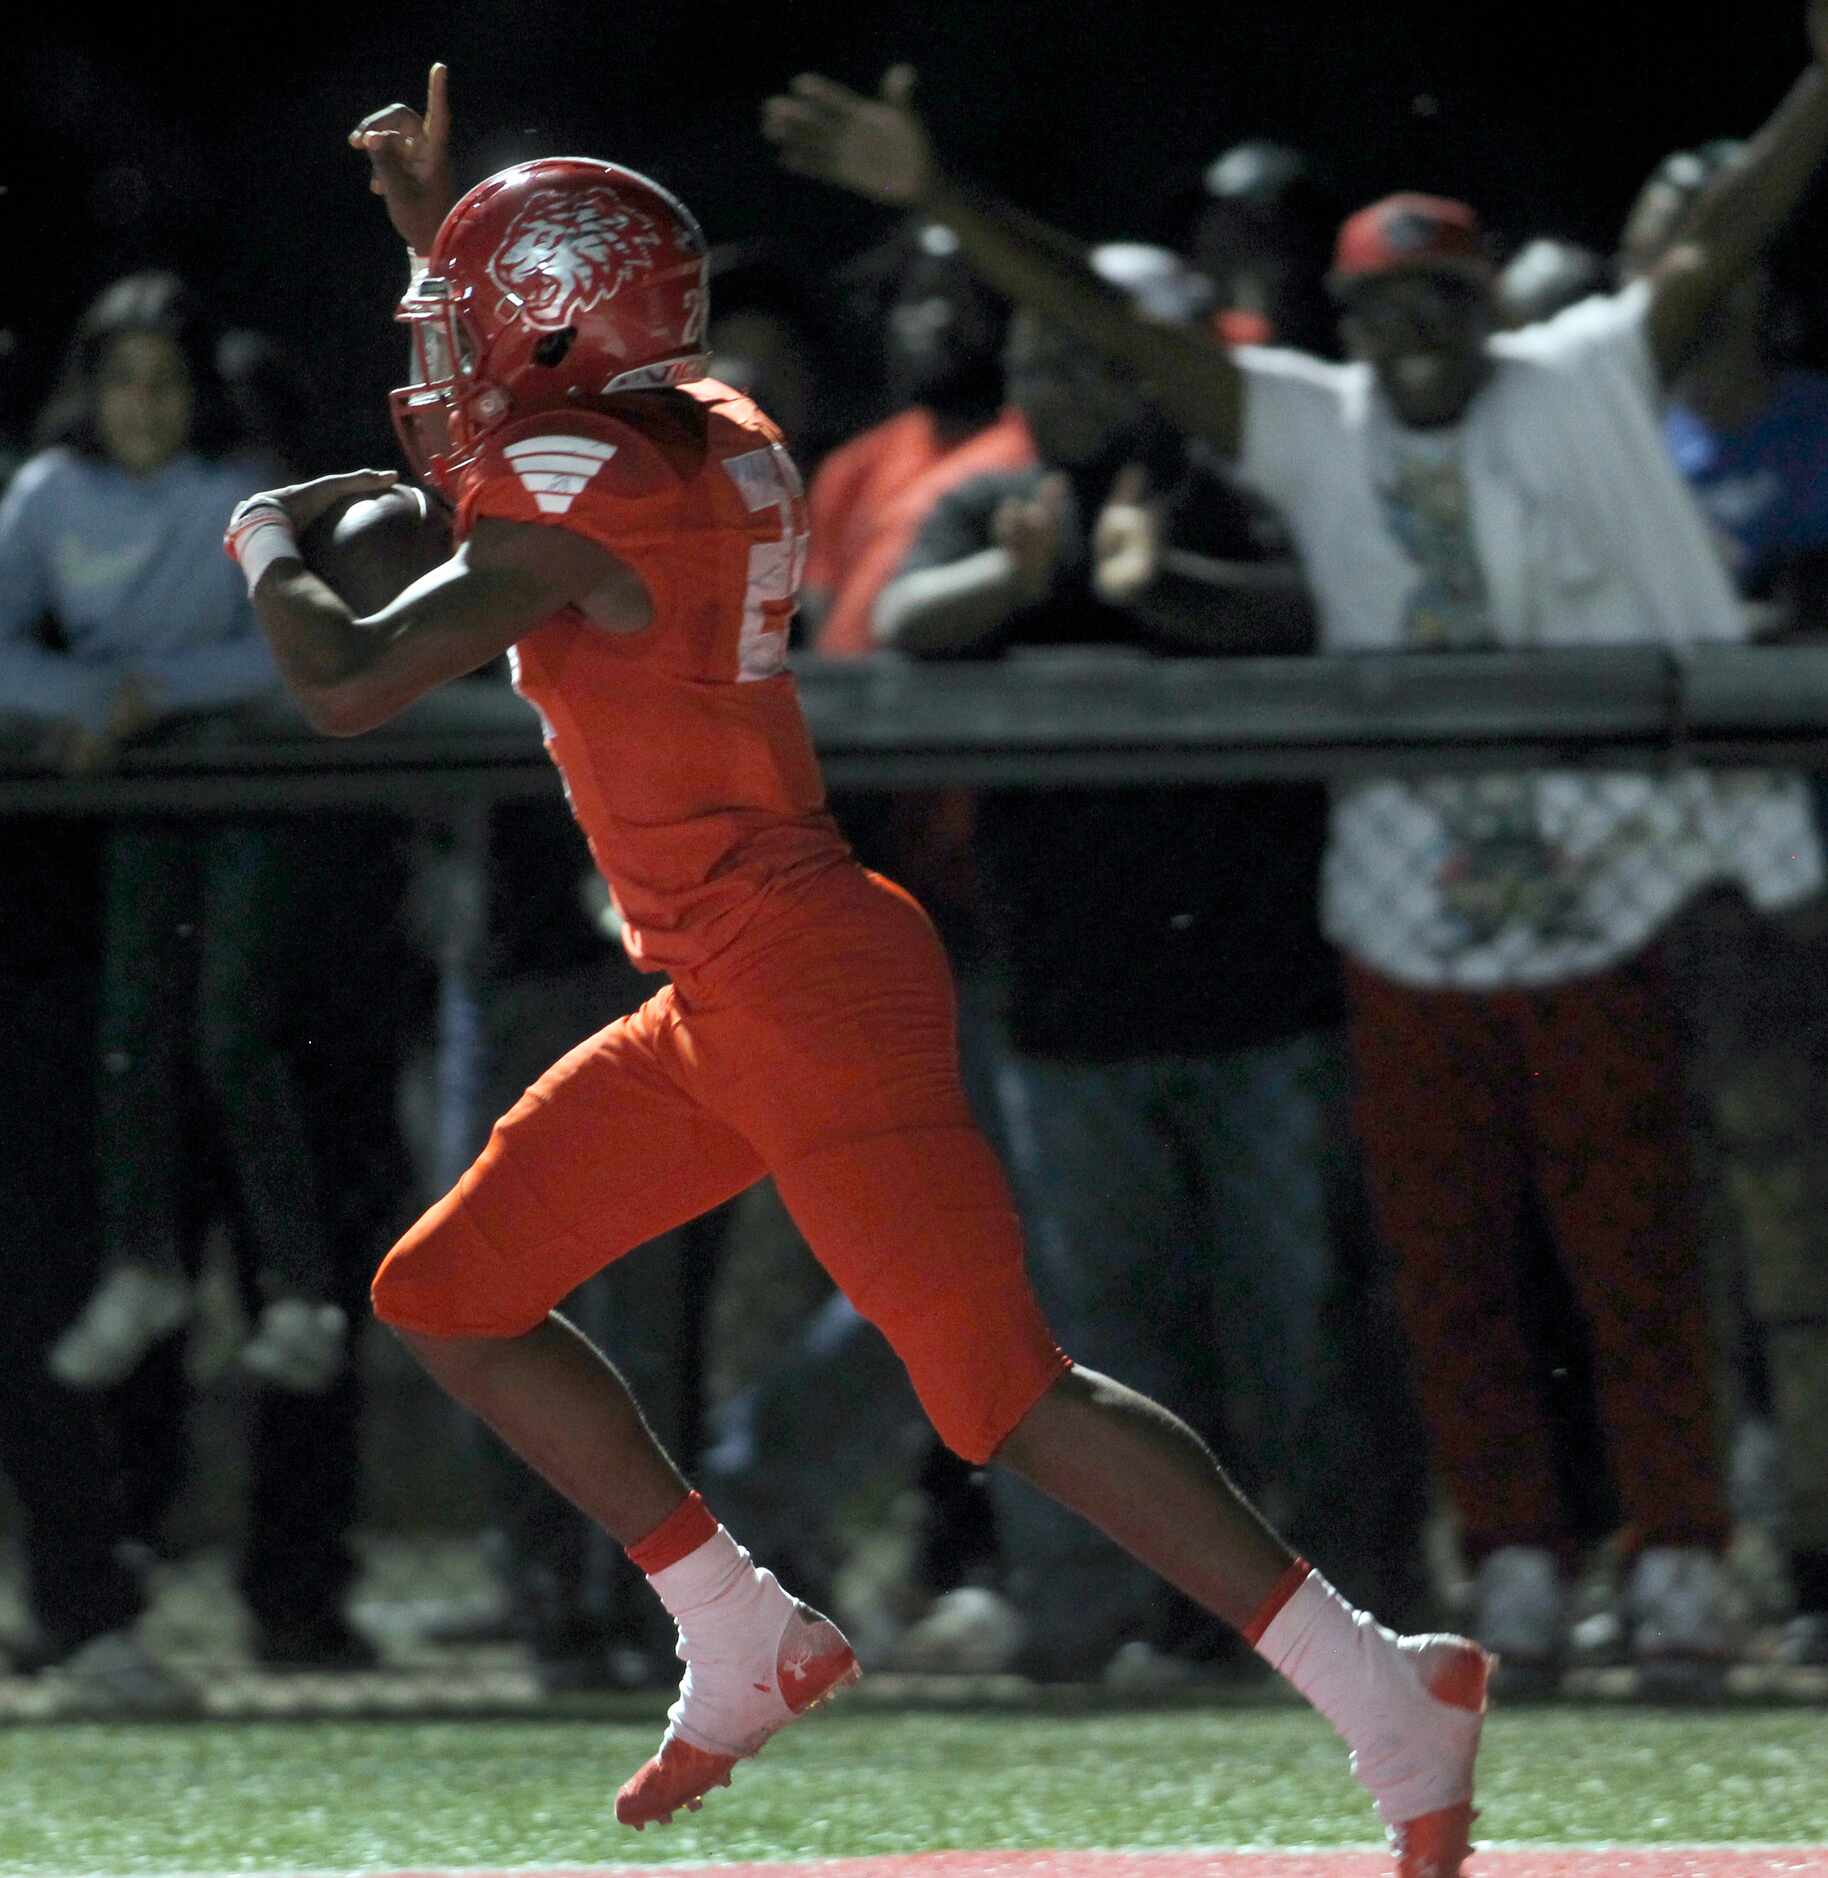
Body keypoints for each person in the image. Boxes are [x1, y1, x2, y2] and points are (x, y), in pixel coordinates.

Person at [229, 64, 1489, 1871]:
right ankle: (735, 1621)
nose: (439, 353)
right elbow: (538, 427)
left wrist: (263, 534)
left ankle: (1379, 1678)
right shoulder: (703, 419)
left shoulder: (594, 488)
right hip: (728, 983)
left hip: (794, 979)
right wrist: (449, 241)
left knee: (1004, 1396)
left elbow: (345, 678)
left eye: (469, 318)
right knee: (449, 1295)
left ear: (562, 335)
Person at [762, 10, 1828, 1702]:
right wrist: (945, 197)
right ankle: (1519, 1560)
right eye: (1380, 302)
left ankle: (1681, 1550)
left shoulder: (1574, 378)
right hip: (1407, 921)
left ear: (1483, 305)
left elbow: (1715, 244)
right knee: (1443, 1274)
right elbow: (1107, 318)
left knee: (1637, 1254)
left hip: (1596, 892)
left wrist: (1814, 99)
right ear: (1343, 318)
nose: (1410, 328)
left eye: (1439, 298)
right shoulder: (1313, 423)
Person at [872, 244, 1427, 1681]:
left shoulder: (1228, 500)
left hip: (1258, 1002)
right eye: (1036, 367)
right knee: (1108, 1341)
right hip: (1069, 1017)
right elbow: (898, 631)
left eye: (1085, 363)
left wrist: (1150, 578)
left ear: (1143, 376)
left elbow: (1297, 619)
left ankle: (1349, 1612)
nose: (1055, 390)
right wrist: (1021, 575)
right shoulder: (988, 509)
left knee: (1292, 1329)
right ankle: (1129, 1620)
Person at [0, 270, 349, 1398]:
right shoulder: (50, 494)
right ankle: (142, 1266)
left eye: (164, 384)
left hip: (245, 783)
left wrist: (155, 691)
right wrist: (91, 707)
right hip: (140, 789)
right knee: (130, 1025)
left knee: (232, 1027)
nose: (142, 407)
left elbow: (287, 651)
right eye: (121, 382)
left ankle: (301, 1293)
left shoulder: (238, 494)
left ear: (197, 393)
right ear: (88, 390)